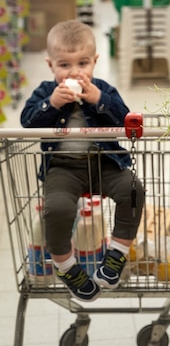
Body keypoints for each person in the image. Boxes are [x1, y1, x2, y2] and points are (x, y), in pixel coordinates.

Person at [21, 20, 144, 302]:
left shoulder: (102, 88)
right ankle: (65, 265)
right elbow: (27, 121)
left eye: (83, 63)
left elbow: (124, 119)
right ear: (50, 64)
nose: (75, 72)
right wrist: (51, 104)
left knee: (132, 190)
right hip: (63, 167)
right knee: (57, 209)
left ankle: (116, 254)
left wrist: (99, 98)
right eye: (64, 65)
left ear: (95, 62)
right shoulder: (45, 92)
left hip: (105, 162)